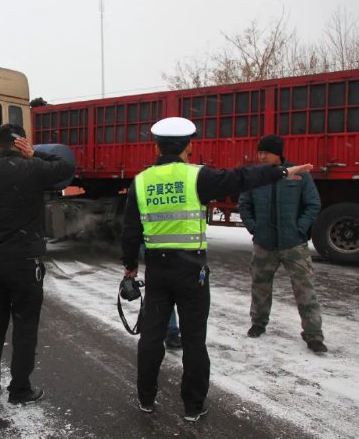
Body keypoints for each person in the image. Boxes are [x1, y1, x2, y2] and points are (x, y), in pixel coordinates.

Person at [121, 117, 313, 422]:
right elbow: (241, 178)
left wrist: (130, 268)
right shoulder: (197, 176)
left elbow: (130, 230)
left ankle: (146, 398)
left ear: (157, 146)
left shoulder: (141, 181)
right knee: (194, 340)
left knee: (151, 338)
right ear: (189, 146)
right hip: (192, 271)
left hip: (157, 270)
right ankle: (193, 406)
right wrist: (281, 171)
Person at [0, 124, 75, 405]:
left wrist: (0, 161)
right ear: (22, 144)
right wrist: (35, 153)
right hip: (25, 262)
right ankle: (20, 390)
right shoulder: (34, 169)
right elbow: (65, 168)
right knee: (25, 327)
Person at [238, 135, 326, 353]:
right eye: (259, 152)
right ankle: (258, 323)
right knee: (260, 286)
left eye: (265, 152)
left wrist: (299, 228)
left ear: (278, 153)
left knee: (305, 289)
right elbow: (244, 204)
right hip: (264, 243)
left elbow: (313, 203)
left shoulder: (298, 175)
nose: (261, 156)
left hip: (293, 244)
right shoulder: (255, 176)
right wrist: (254, 227)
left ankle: (313, 335)